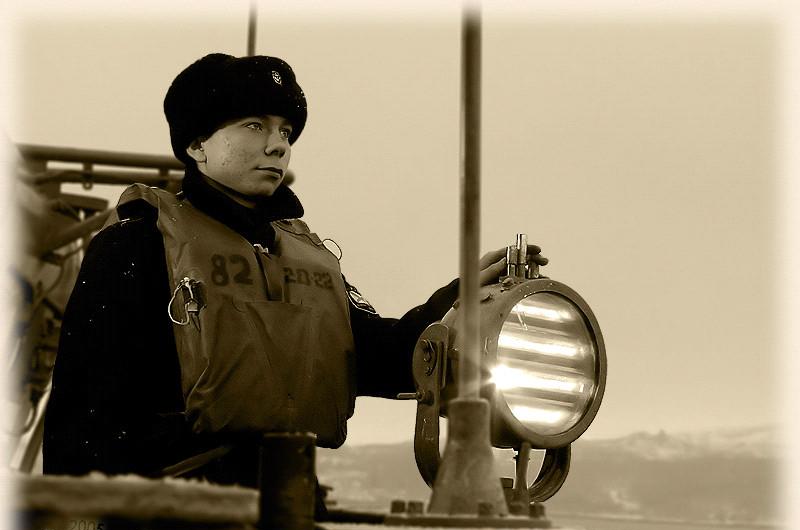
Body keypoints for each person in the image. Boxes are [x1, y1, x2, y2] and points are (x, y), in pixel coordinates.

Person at [42, 53, 547, 489]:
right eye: (254, 125)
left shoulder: (308, 259)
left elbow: (384, 356)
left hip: (289, 504)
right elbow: (82, 416)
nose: (278, 144)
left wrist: (460, 298)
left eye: (285, 131)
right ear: (197, 145)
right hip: (165, 515)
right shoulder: (136, 245)